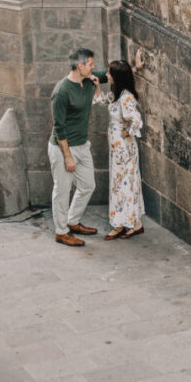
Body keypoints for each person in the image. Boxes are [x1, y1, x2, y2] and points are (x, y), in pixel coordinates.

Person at [48, 48, 107, 247]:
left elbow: (110, 74)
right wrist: (68, 157)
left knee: (88, 185)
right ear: (80, 66)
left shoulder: (89, 79)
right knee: (62, 191)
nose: (93, 68)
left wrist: (135, 67)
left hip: (82, 145)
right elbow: (59, 127)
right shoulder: (61, 92)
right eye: (90, 64)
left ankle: (73, 221)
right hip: (64, 148)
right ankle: (61, 231)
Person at [105, 57, 145, 240]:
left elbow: (137, 119)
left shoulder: (126, 97)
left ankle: (126, 223)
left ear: (117, 77)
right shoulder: (117, 93)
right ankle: (131, 223)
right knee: (120, 183)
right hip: (117, 148)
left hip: (124, 148)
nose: (107, 75)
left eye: (109, 73)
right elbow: (105, 101)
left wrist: (128, 132)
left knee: (124, 184)